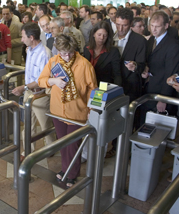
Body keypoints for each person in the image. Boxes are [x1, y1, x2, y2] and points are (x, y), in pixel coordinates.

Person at [38, 34, 97, 188]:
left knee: (72, 146)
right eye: (63, 53)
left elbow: (93, 89)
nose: (66, 56)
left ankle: (72, 174)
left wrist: (92, 108)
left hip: (77, 112)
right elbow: (41, 80)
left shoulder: (84, 65)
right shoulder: (53, 61)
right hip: (57, 111)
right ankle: (65, 169)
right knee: (63, 144)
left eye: (69, 52)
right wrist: (53, 81)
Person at [11, 23, 55, 160]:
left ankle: (51, 148)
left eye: (23, 37)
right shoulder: (29, 50)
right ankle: (27, 150)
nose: (21, 40)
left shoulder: (45, 53)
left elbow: (43, 79)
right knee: (28, 124)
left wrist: (23, 87)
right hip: (29, 93)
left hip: (40, 95)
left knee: (45, 125)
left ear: (31, 37)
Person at [141, 11, 179, 118]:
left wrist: (163, 99)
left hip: (160, 91)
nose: (153, 29)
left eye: (157, 26)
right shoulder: (151, 40)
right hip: (148, 88)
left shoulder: (173, 45)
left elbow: (171, 72)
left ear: (166, 26)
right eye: (152, 26)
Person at [114, 8, 147, 102]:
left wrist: (135, 66)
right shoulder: (110, 38)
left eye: (124, 25)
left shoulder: (140, 41)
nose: (120, 29)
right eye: (118, 25)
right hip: (112, 85)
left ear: (131, 23)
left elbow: (142, 64)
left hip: (130, 88)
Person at [83, 21, 122, 87]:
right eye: (99, 35)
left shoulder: (113, 51)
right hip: (87, 86)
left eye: (105, 35)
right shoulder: (87, 48)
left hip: (103, 87)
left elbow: (117, 75)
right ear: (93, 34)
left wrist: (116, 91)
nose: (101, 38)